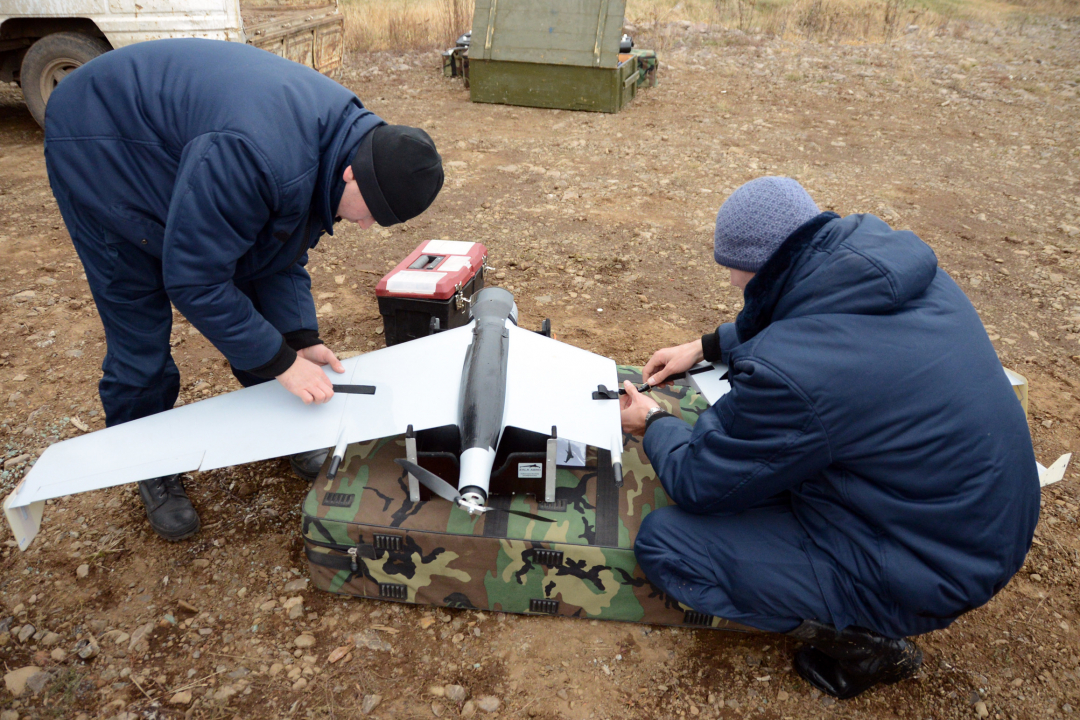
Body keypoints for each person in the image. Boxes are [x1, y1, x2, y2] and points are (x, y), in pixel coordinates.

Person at [620, 177, 1039, 699]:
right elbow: (816, 316)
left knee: (668, 543)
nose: (730, 280)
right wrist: (707, 345)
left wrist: (653, 423)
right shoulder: (893, 272)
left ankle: (866, 645)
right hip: (980, 522)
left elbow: (701, 481)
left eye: (731, 266)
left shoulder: (794, 372)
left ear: (763, 267)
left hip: (932, 565)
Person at [44, 39, 444, 542]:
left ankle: (278, 422)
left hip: (193, 144)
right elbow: (194, 279)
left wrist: (297, 338)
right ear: (352, 173)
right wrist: (281, 363)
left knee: (245, 271)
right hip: (100, 143)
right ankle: (148, 461)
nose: (366, 228)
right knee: (138, 318)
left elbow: (278, 245)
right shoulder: (258, 155)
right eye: (372, 214)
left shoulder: (338, 140)